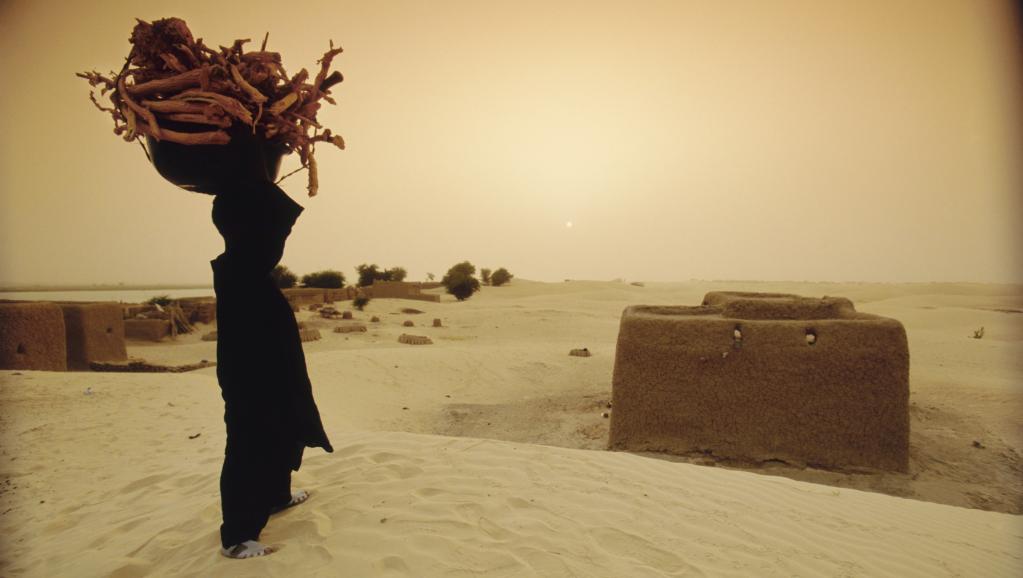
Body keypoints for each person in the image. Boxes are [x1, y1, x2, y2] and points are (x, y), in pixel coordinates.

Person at [148, 123, 333, 559]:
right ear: (252, 231)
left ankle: (276, 496)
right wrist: (247, 140)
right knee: (252, 435)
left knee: (284, 421)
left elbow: (261, 211)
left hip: (270, 364)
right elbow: (258, 208)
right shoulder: (241, 270)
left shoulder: (248, 270)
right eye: (273, 233)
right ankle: (238, 535)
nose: (279, 240)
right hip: (250, 372)